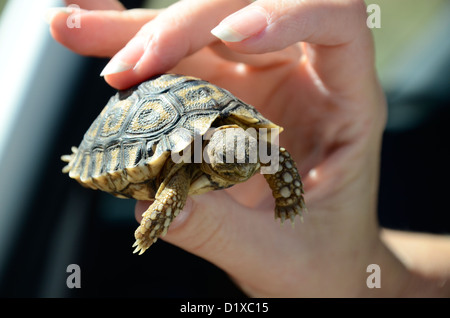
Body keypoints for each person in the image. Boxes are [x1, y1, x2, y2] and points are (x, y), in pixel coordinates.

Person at [47, 0, 450, 297]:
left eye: (253, 154)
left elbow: (271, 157)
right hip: (149, 125)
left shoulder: (255, 148)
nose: (249, 163)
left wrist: (289, 199)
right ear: (211, 154)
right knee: (174, 190)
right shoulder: (186, 162)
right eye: (234, 159)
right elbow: (176, 183)